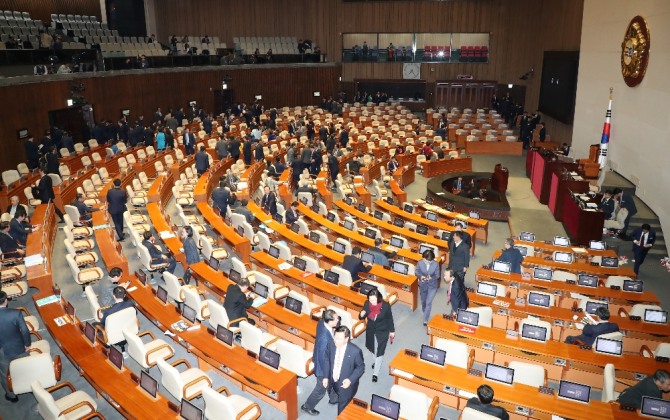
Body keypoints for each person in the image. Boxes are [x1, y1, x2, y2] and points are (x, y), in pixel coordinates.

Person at [302, 309, 341, 416]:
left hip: (325, 360)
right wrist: (325, 376)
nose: (338, 320)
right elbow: (324, 359)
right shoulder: (325, 338)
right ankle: (307, 406)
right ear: (330, 321)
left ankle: (334, 398)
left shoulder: (321, 322)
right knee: (320, 389)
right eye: (336, 319)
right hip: (323, 368)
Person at [323, 325, 365, 415]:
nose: (335, 340)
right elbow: (327, 359)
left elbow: (361, 367)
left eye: (339, 339)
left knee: (342, 411)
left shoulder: (355, 351)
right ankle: (334, 399)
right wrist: (326, 376)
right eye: (335, 337)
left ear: (346, 339)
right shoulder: (331, 344)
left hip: (346, 386)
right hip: (332, 380)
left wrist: (350, 380)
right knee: (333, 392)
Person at [0, 291, 31, 402]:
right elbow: (25, 331)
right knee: (27, 367)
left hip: (2, 352)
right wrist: (27, 344)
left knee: (4, 374)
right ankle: (32, 387)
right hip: (19, 347)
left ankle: (11, 395)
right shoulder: (15, 313)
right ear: (6, 300)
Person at [359, 289, 394, 382]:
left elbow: (389, 319)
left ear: (378, 298)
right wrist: (361, 314)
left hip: (382, 330)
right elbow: (363, 314)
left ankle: (375, 373)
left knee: (380, 351)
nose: (372, 302)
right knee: (372, 347)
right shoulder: (367, 303)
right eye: (370, 300)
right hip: (371, 329)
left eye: (374, 300)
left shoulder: (385, 306)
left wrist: (392, 331)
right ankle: (376, 361)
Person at [415, 249, 440, 326]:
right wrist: (420, 276)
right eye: (425, 260)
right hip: (423, 284)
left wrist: (432, 277)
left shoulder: (435, 264)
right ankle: (424, 310)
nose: (425, 262)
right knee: (423, 301)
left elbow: (437, 275)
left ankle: (425, 319)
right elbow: (417, 272)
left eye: (428, 261)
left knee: (429, 302)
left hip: (432, 285)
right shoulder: (420, 262)